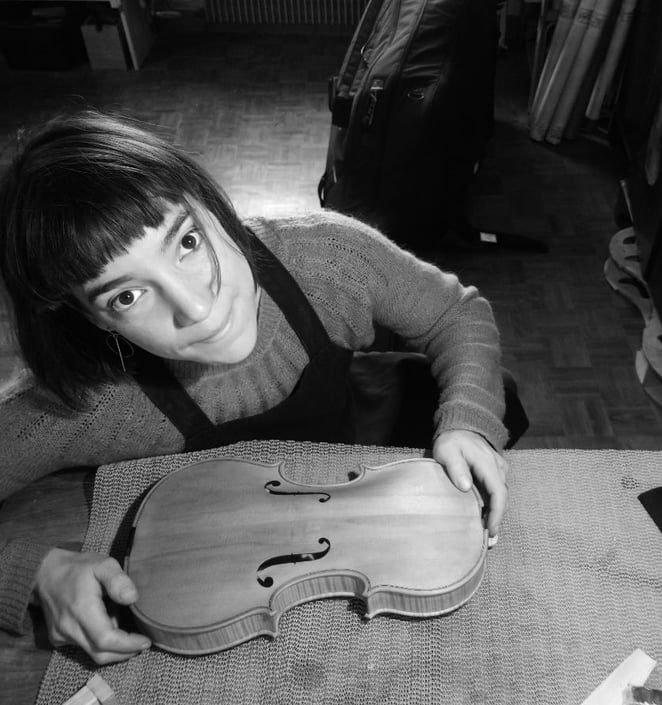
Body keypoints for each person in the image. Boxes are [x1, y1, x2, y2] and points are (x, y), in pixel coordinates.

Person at [0, 110, 527, 665]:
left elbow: (454, 313)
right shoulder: (93, 400)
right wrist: (35, 572)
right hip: (231, 556)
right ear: (89, 318)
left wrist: (470, 420)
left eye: (187, 241)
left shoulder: (327, 257)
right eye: (126, 297)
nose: (197, 308)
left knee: (498, 393)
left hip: (356, 464)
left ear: (212, 202)